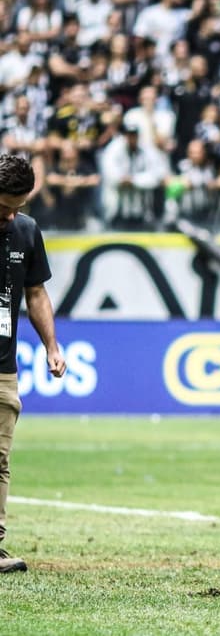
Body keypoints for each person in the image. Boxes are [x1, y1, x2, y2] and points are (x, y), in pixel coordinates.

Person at [0, 154, 66, 573]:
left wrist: (52, 346)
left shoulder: (25, 231)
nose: (11, 215)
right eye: (5, 206)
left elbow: (35, 293)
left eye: (19, 206)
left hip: (3, 364)